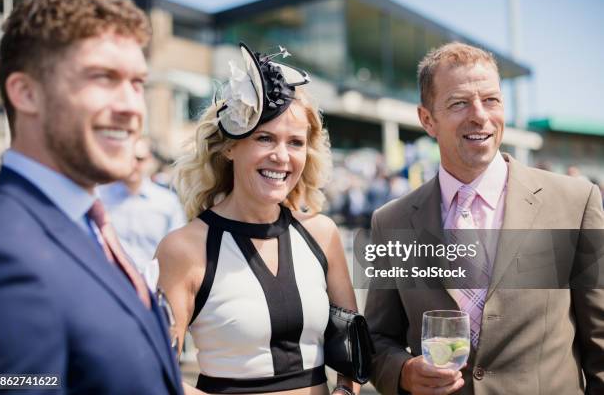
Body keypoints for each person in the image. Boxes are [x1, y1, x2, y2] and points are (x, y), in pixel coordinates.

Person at [364, 42, 604, 394]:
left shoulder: (575, 202)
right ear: (427, 120)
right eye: (459, 103)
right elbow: (377, 338)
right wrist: (403, 371)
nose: (480, 115)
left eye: (491, 100)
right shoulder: (391, 222)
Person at [0, 0, 182, 394]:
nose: (133, 106)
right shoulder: (4, 252)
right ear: (26, 93)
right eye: (103, 78)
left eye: (138, 83)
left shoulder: (89, 226)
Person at [156, 43, 359, 395]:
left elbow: (352, 354)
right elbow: (156, 371)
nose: (281, 156)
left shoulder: (322, 234)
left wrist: (344, 391)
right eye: (264, 138)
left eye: (295, 142)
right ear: (231, 146)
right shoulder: (184, 248)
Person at [99, 137, 186, 278]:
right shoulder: (100, 199)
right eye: (128, 158)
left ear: (149, 160)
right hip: (113, 283)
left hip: (155, 285)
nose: (133, 164)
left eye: (139, 159)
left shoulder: (167, 202)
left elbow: (178, 250)